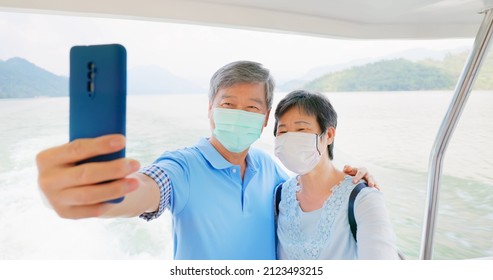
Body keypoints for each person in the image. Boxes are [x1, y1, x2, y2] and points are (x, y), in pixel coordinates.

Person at [36, 61, 374, 260]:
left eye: (252, 107)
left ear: (266, 118)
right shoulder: (182, 167)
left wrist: (349, 179)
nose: (239, 114)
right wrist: (94, 192)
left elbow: (307, 192)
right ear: (210, 108)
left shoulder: (269, 167)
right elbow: (147, 187)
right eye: (228, 104)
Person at [274, 90, 399, 259]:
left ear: (329, 135)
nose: (290, 138)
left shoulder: (363, 199)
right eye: (283, 132)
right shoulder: (280, 195)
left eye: (301, 129)